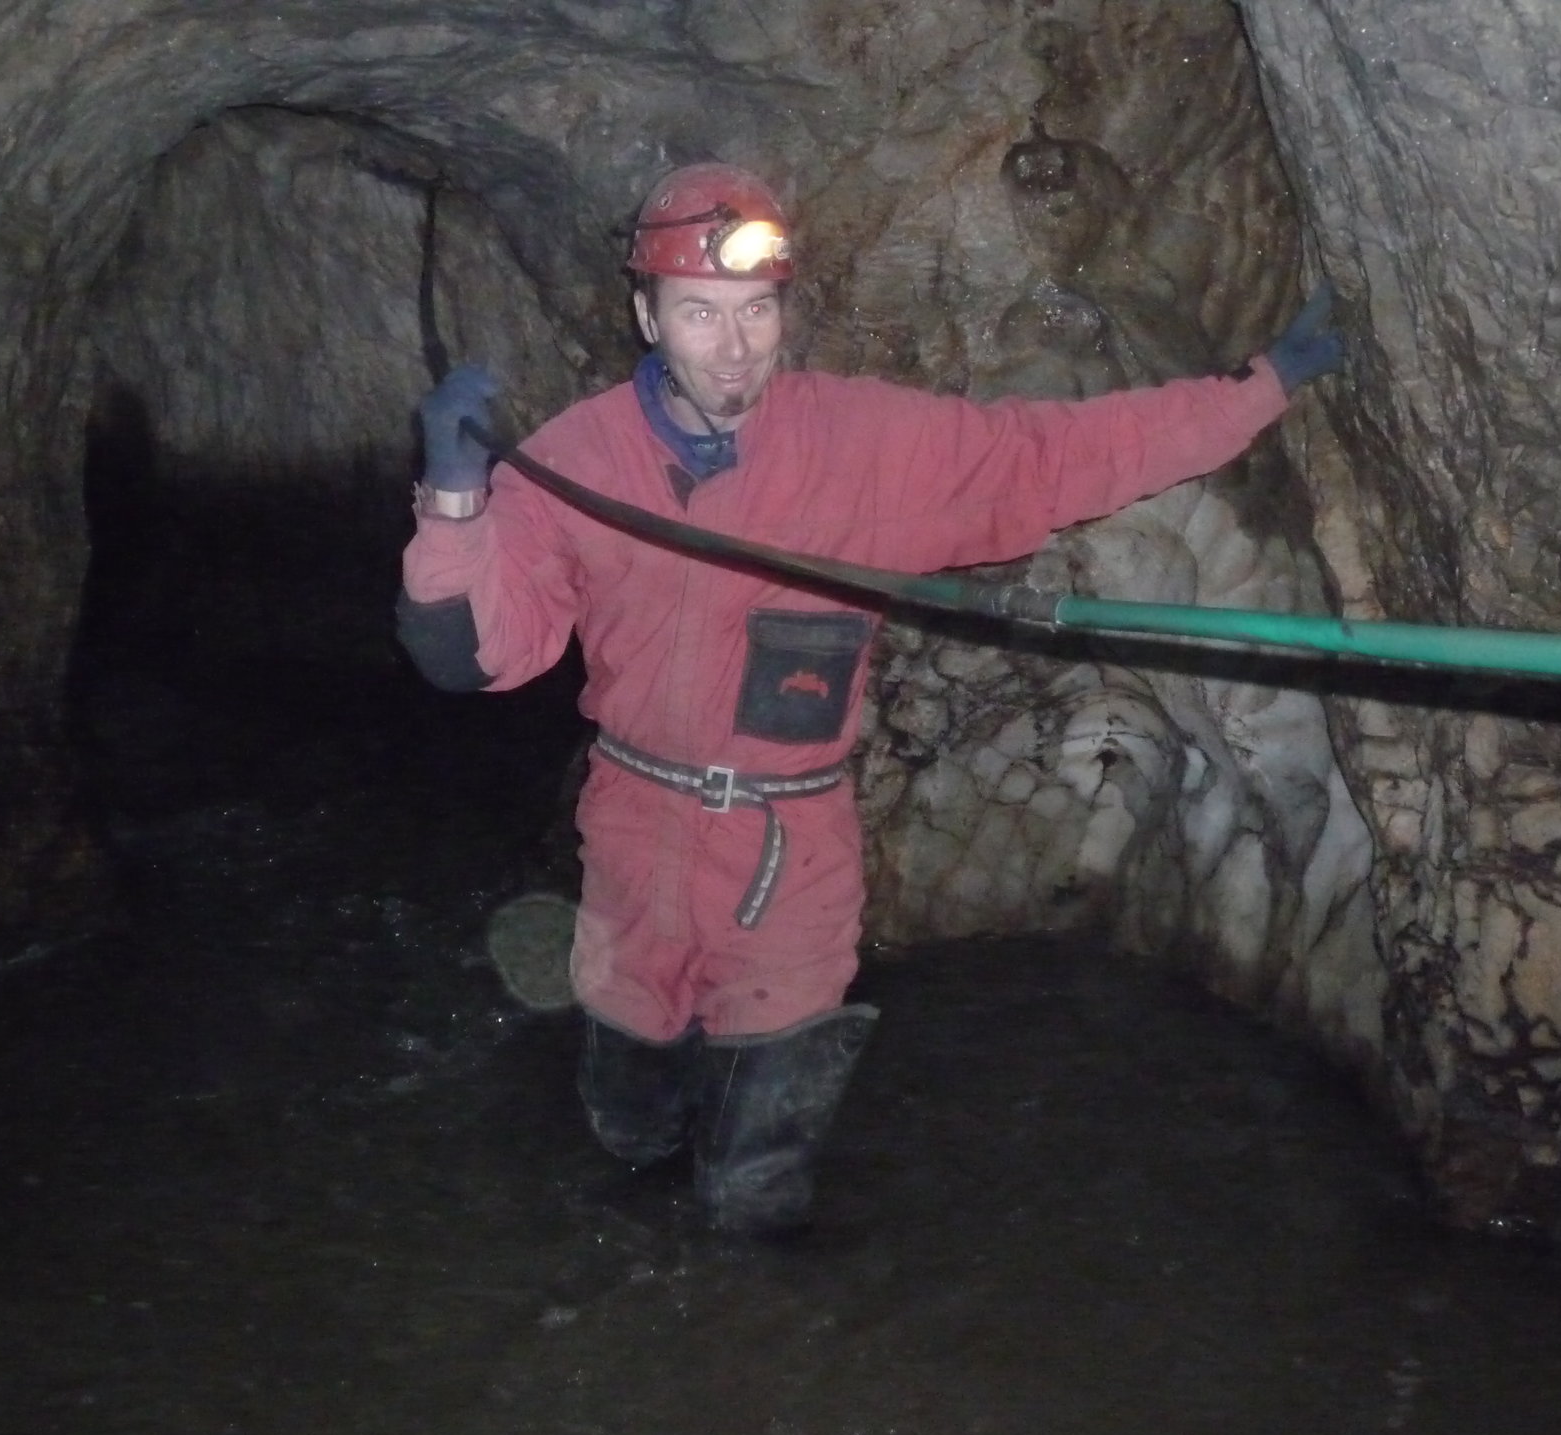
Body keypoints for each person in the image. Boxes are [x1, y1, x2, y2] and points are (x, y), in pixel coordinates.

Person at [397, 162, 1342, 1236]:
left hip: (783, 848)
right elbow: (471, 657)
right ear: (647, 317)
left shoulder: (861, 447)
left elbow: (1056, 456)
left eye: (756, 310)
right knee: (629, 1135)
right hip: (633, 838)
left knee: (754, 1193)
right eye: (700, 313)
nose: (735, 346)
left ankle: (755, 1317)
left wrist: (1258, 387)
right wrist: (455, 498)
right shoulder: (576, 459)